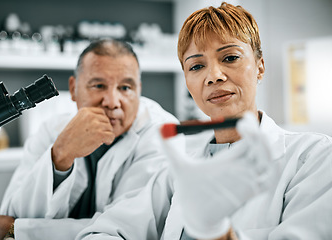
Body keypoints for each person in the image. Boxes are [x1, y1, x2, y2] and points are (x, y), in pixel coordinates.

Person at [75, 2, 332, 240]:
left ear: (260, 66)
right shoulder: (178, 173)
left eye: (230, 58)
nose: (214, 76)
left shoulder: (314, 159)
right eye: (196, 66)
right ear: (187, 80)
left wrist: (217, 230)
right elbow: (102, 232)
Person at [0, 38, 179, 240]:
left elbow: (125, 230)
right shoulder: (52, 130)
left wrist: (21, 231)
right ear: (73, 89)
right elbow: (12, 213)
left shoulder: (162, 133)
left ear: (139, 90)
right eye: (99, 85)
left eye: (126, 88)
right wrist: (60, 155)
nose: (112, 102)